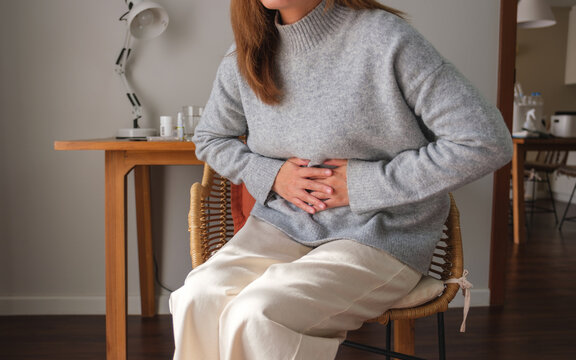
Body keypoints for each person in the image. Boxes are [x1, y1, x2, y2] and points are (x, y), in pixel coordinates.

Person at [170, 0, 513, 359]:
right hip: (281, 226)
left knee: (259, 312)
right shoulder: (246, 53)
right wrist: (273, 176)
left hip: (380, 234)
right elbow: (211, 138)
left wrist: (363, 184)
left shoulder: (384, 38)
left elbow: (486, 141)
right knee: (198, 297)